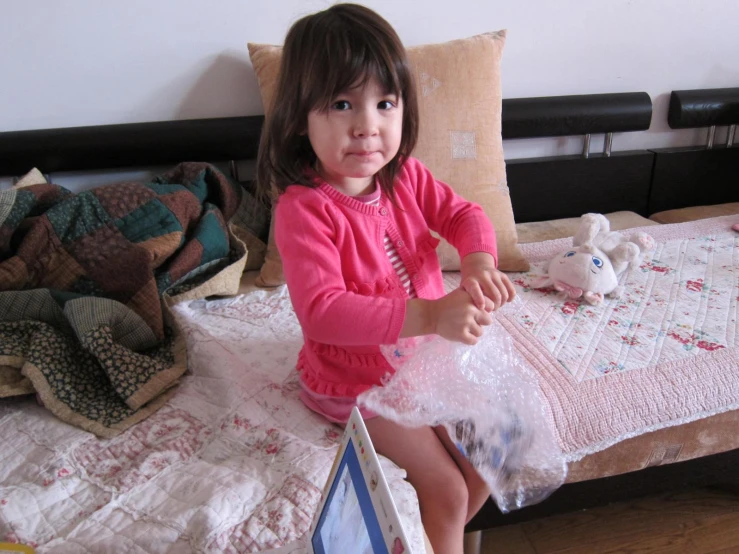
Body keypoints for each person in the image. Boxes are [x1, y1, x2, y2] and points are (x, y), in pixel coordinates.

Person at [256, 4, 516, 552]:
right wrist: (430, 315)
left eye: (385, 103)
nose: (366, 125)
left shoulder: (404, 177)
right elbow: (323, 311)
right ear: (300, 116)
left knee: (487, 459)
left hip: (422, 360)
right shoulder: (304, 209)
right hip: (355, 381)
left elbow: (466, 216)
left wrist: (478, 261)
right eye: (342, 104)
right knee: (445, 488)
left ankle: (439, 539)